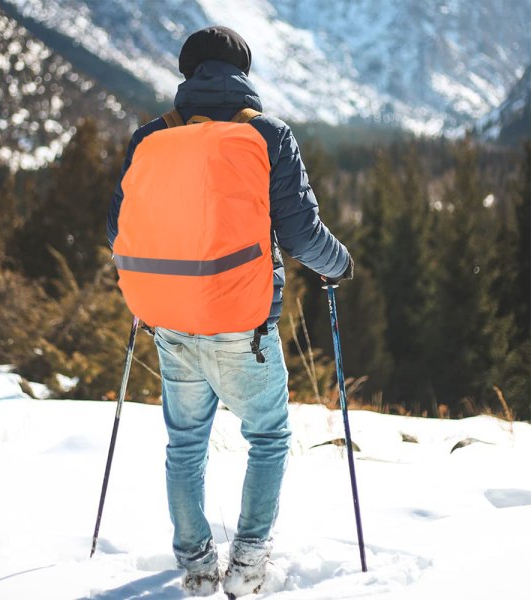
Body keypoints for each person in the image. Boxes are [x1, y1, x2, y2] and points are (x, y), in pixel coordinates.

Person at [107, 26, 353, 598]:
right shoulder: (268, 135)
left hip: (167, 317)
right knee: (266, 436)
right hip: (242, 323)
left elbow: (117, 228)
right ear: (243, 72)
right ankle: (246, 562)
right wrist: (338, 265)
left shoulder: (149, 137)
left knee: (185, 443)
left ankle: (195, 567)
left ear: (186, 73)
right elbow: (298, 230)